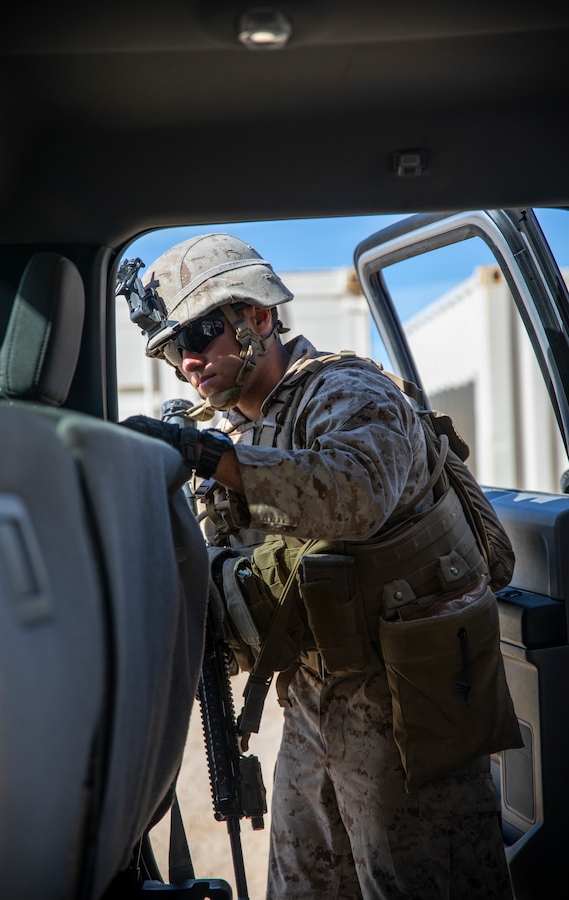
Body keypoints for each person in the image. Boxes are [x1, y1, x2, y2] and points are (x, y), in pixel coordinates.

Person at [122, 233, 515, 899]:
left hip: (404, 707)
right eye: (170, 346)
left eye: (201, 331)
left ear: (259, 319)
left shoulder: (349, 391)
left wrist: (205, 455)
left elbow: (353, 494)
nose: (187, 359)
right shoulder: (241, 430)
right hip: (310, 700)